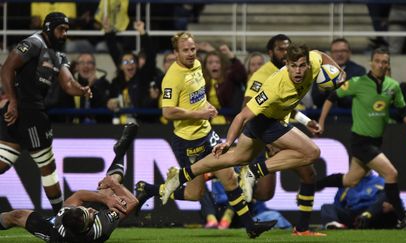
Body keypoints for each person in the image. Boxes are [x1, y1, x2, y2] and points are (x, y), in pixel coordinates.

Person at [161, 42, 346, 236]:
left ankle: (181, 175)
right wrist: (228, 141)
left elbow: (319, 53)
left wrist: (340, 72)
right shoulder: (275, 86)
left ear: (308, 64)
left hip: (274, 120)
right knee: (311, 152)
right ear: (286, 64)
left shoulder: (315, 63)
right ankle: (253, 172)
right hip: (264, 121)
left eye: (301, 65)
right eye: (293, 66)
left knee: (234, 159)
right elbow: (242, 115)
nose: (298, 71)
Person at [135, 31, 276, 239]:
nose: (191, 53)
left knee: (230, 178)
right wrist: (200, 113)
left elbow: (196, 96)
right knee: (195, 194)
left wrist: (206, 106)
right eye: (186, 50)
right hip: (187, 141)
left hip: (207, 134)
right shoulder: (172, 78)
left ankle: (250, 226)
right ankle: (150, 190)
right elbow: (168, 111)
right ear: (176, 52)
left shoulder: (198, 65)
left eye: (193, 49)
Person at [317, 48, 406, 229]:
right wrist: (321, 122)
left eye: (385, 62)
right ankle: (403, 217)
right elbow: (332, 96)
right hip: (360, 141)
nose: (381, 65)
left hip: (376, 141)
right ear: (371, 63)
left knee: (350, 180)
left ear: (388, 65)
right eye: (378, 61)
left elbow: (403, 110)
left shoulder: (393, 86)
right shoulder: (358, 82)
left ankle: (312, 185)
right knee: (391, 174)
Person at [0, 12, 92, 214]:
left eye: (67, 30)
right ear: (49, 28)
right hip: (28, 111)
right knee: (47, 167)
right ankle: (60, 216)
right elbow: (6, 68)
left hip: (25, 112)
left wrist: (82, 89)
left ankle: (59, 215)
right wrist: (13, 100)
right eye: (61, 29)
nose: (65, 34)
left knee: (2, 162)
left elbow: (68, 83)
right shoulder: (33, 43)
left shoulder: (58, 55)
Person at [242, 34, 324, 236]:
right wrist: (268, 140)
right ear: (270, 52)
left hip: (282, 130)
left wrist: (306, 121)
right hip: (268, 133)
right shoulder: (263, 75)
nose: (284, 52)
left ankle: (302, 229)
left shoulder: (295, 69)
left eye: (287, 48)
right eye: (280, 49)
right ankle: (231, 183)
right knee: (266, 192)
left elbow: (286, 104)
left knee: (308, 175)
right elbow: (247, 106)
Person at [0, 123, 139, 242]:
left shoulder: (62, 219)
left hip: (54, 232)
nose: (91, 209)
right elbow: (132, 202)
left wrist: (104, 199)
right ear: (88, 226)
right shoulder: (101, 227)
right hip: (74, 234)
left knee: (17, 216)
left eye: (85, 209)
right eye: (89, 214)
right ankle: (120, 153)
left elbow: (78, 196)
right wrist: (111, 190)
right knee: (111, 185)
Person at [47, 52, 111, 124]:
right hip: (71, 127)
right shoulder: (68, 83)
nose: (86, 66)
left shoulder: (103, 83)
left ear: (94, 66)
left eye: (89, 63)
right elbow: (59, 103)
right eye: (82, 63)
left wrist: (94, 86)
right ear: (77, 66)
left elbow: (105, 106)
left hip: (99, 128)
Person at [320, 172, 399, 229]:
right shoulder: (347, 183)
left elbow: (387, 201)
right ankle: (334, 225)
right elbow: (337, 206)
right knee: (327, 207)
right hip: (354, 216)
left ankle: (366, 216)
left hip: (374, 214)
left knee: (384, 197)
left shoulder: (381, 181)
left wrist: (369, 214)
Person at [312, 38, 366, 109]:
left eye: (343, 51)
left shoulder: (359, 71)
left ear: (349, 53)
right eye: (335, 51)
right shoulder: (321, 70)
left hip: (348, 116)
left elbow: (357, 99)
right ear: (330, 54)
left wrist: (335, 89)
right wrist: (322, 91)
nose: (339, 54)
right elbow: (315, 100)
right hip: (327, 117)